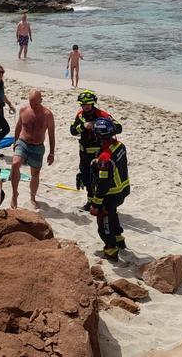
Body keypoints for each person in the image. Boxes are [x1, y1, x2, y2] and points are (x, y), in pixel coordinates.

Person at [70, 90, 123, 211]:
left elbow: (119, 127)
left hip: (98, 152)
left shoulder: (102, 115)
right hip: (84, 152)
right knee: (86, 177)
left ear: (93, 103)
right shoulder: (80, 116)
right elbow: (72, 131)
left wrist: (100, 125)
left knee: (99, 179)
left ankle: (99, 203)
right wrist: (82, 126)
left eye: (88, 104)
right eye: (83, 104)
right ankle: (89, 202)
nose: (85, 107)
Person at [89, 118, 130, 261]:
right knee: (113, 215)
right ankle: (119, 240)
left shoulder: (105, 157)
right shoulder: (119, 146)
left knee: (104, 222)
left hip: (111, 194)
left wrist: (95, 203)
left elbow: (104, 184)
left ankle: (111, 250)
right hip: (123, 189)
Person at [10, 90, 55, 209]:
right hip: (23, 142)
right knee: (15, 164)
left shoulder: (47, 115)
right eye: (31, 103)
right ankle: (14, 194)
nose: (33, 106)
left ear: (41, 100)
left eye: (35, 103)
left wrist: (51, 153)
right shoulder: (24, 110)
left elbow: (51, 134)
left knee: (35, 174)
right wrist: (15, 142)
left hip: (38, 147)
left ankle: (32, 197)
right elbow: (19, 126)